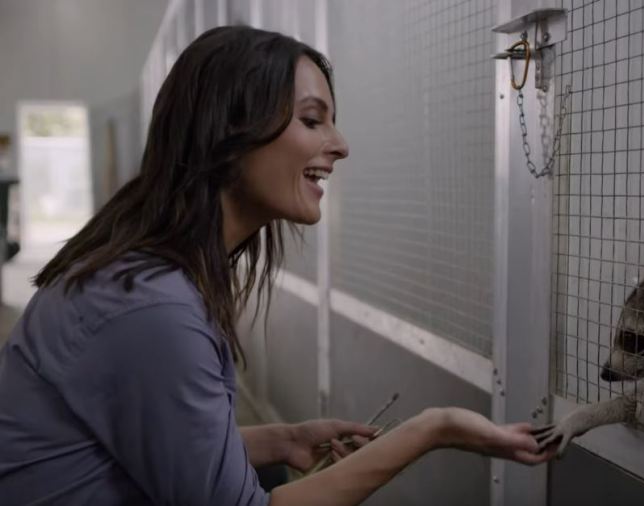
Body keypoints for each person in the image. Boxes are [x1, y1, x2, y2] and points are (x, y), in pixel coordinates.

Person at [0, 26, 554, 505]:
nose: (340, 145)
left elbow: (162, 443)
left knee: (268, 468)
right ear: (227, 133)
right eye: (312, 120)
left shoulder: (146, 276)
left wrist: (282, 439)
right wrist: (433, 429)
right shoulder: (152, 310)